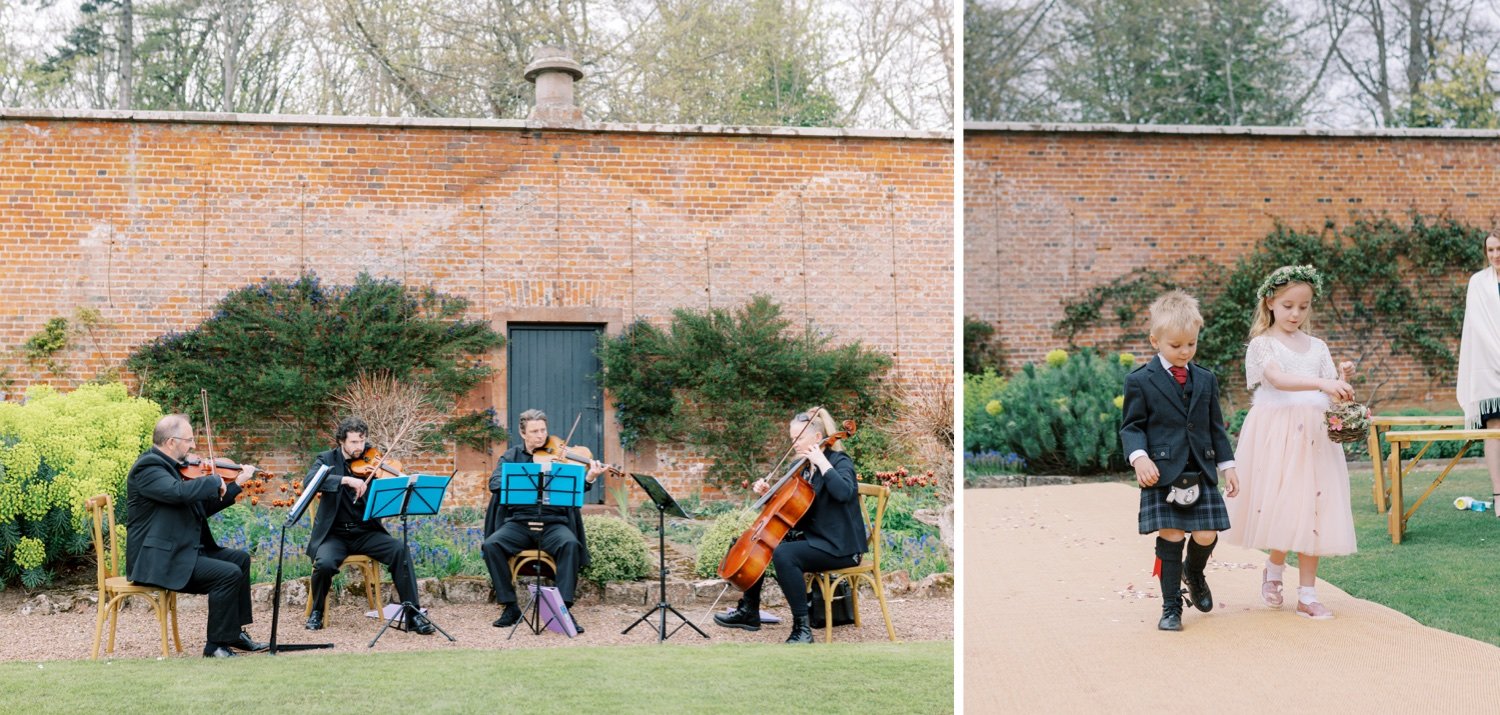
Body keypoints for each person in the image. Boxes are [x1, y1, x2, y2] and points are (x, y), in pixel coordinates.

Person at [1224, 265, 1358, 620]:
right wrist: (1323, 385)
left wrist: (1341, 379)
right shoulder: (1262, 344)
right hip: (1276, 435)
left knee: (1312, 507)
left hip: (1314, 437)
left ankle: (1308, 594)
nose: (1295, 314)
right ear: (1270, 302)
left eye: (1303, 306)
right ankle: (1274, 566)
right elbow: (1278, 379)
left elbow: (1332, 393)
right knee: (1284, 506)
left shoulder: (1317, 347)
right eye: (1288, 306)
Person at [1120, 291, 1240, 632]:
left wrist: (1228, 466)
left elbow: (1216, 429)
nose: (1184, 352)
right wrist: (1139, 457)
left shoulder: (1205, 379)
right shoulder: (1140, 380)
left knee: (1205, 534)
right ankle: (1171, 606)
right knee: (1171, 535)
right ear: (1155, 340)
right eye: (1176, 345)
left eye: (1191, 344)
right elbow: (1131, 427)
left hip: (1199, 470)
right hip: (1161, 472)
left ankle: (1195, 572)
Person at [713, 407, 867, 644]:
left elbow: (844, 492)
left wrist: (822, 463)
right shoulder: (802, 468)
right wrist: (769, 493)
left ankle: (802, 629)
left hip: (841, 547)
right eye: (792, 439)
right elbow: (793, 510)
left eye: (799, 438)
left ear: (817, 438)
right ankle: (749, 611)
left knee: (785, 554)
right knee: (758, 541)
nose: (794, 444)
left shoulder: (839, 461)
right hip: (817, 538)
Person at [125, 414, 269, 658]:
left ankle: (233, 633)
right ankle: (215, 646)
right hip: (158, 560)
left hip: (181, 549)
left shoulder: (176, 469)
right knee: (227, 574)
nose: (193, 446)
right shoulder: (148, 467)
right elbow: (177, 493)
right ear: (171, 442)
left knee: (240, 560)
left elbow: (202, 508)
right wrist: (214, 479)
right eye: (189, 440)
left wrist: (237, 483)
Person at [302, 417, 435, 634]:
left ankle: (413, 615)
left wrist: (400, 481)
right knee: (324, 564)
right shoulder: (326, 459)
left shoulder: (374, 460)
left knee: (400, 551)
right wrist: (346, 480)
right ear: (341, 441)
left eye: (362, 441)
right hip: (334, 535)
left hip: (366, 532)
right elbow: (310, 481)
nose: (359, 447)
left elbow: (392, 487)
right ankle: (317, 611)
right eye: (354, 442)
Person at [482, 409, 604, 632]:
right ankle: (510, 606)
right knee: (491, 545)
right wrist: (530, 473)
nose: (540, 436)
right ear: (523, 433)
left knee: (570, 545)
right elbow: (495, 483)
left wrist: (589, 478)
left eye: (543, 430)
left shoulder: (561, 456)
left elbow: (576, 487)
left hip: (553, 523)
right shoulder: (511, 456)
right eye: (535, 431)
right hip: (519, 523)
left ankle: (562, 608)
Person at [1457, 233, 1500, 513]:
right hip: (1490, 369)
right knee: (1495, 430)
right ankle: (1499, 496)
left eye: (1499, 249)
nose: (1495, 255)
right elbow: (1478, 327)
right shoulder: (1478, 283)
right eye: (1491, 249)